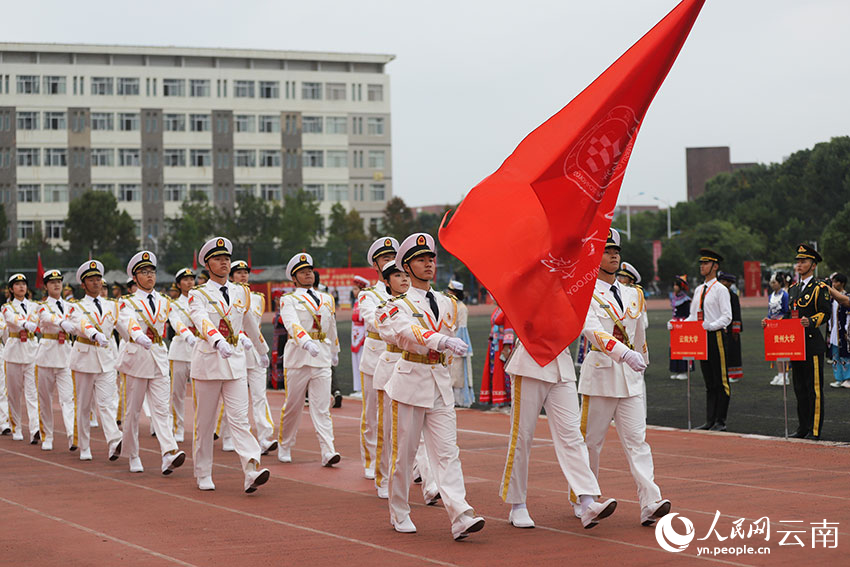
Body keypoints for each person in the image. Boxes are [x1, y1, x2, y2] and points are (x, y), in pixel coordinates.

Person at [498, 233, 619, 531]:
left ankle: (588, 501)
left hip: (561, 364)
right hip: (531, 362)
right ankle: (518, 504)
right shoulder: (528, 278)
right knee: (522, 436)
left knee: (571, 436)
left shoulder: (576, 280)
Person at [377, 232, 485, 540]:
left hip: (440, 383)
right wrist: (440, 340)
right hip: (410, 383)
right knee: (404, 456)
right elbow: (406, 330)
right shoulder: (395, 305)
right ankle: (399, 510)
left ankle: (460, 514)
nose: (428, 264)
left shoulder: (447, 303)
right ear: (406, 267)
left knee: (448, 453)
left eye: (430, 259)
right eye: (420, 260)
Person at [577, 228, 670, 527]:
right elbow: (593, 330)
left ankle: (650, 501)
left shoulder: (633, 293)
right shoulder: (586, 292)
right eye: (607, 251)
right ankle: (584, 500)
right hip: (602, 373)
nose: (614, 255)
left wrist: (642, 359)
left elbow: (639, 334)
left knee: (637, 441)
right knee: (591, 442)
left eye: (616, 250)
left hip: (630, 378)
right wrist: (624, 354)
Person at [188, 237, 271, 492]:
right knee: (205, 423)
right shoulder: (197, 294)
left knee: (239, 419)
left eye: (226, 259)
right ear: (207, 264)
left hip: (235, 361)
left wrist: (262, 350)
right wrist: (216, 341)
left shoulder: (240, 292)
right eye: (217, 259)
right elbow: (201, 320)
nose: (224, 263)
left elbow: (250, 324)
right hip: (209, 362)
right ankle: (203, 472)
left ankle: (250, 469)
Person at [115, 251, 186, 475]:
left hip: (158, 356)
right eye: (144, 272)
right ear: (134, 278)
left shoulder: (165, 301)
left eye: (152, 272)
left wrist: (187, 334)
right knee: (133, 411)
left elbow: (176, 320)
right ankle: (133, 454)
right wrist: (138, 336)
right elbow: (129, 322)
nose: (149, 276)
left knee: (162, 410)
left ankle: (169, 452)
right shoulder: (126, 302)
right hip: (137, 357)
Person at [277, 252, 341, 467]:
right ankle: (285, 444)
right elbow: (292, 324)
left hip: (321, 355)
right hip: (299, 356)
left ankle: (328, 450)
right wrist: (305, 342)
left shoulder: (327, 298)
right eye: (302, 272)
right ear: (294, 278)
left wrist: (335, 350)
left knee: (322, 407)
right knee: (293, 405)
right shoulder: (289, 299)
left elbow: (331, 326)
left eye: (310, 271)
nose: (308, 274)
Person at [65, 261, 123, 461]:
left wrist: (137, 339)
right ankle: (84, 446)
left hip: (106, 359)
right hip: (84, 358)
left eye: (98, 279)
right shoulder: (76, 306)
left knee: (107, 403)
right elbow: (81, 324)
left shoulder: (111, 305)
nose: (96, 282)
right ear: (83, 284)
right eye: (91, 279)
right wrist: (94, 334)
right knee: (83, 405)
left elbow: (122, 326)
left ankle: (115, 441)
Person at [357, 237, 398, 482]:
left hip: (402, 359)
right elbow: (372, 319)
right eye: (385, 259)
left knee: (403, 415)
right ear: (375, 265)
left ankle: (407, 463)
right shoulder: (369, 294)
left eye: (393, 257)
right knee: (373, 415)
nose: (390, 262)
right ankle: (372, 460)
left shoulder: (407, 291)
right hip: (376, 357)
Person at [779, 244, 831, 439]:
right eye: (798, 261)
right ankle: (802, 427)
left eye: (804, 261)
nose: (799, 264)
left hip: (811, 344)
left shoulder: (820, 287)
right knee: (799, 388)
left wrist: (811, 321)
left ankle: (815, 429)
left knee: (814, 389)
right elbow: (788, 314)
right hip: (795, 345)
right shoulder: (793, 289)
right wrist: (773, 325)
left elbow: (825, 313)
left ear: (813, 265)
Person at [679, 248, 732, 431]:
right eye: (701, 263)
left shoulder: (720, 290)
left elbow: (727, 317)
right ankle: (710, 420)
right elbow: (694, 316)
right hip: (701, 337)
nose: (702, 266)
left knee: (720, 380)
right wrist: (679, 324)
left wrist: (710, 325)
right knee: (709, 381)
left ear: (715, 266)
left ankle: (720, 420)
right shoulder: (699, 289)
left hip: (716, 335)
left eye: (706, 263)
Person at [229, 260, 276, 454]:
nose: (243, 275)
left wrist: (262, 350)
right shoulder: (228, 295)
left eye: (245, 272)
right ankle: (228, 435)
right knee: (233, 399)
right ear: (231, 276)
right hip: (235, 350)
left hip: (255, 352)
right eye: (238, 272)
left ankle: (265, 437)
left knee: (259, 396)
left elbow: (255, 326)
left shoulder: (257, 298)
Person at [34, 269, 77, 451]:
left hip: (65, 355)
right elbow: (46, 317)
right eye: (52, 282)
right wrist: (61, 322)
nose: (57, 285)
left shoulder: (70, 306)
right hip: (46, 356)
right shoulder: (41, 306)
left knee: (68, 398)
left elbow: (76, 322)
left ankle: (71, 436)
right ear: (46, 286)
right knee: (45, 399)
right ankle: (47, 435)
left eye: (59, 281)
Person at [2, 273, 40, 443]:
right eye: (17, 285)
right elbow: (12, 319)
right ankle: (16, 427)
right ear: (11, 289)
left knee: (32, 393)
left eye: (23, 284)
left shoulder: (34, 305)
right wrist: (24, 324)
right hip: (14, 351)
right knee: (14, 394)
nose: (21, 287)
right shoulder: (6, 307)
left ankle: (35, 429)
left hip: (31, 350)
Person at [167, 268, 199, 442]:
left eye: (191, 279)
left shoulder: (201, 302)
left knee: (200, 394)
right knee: (177, 394)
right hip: (180, 350)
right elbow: (176, 323)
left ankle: (199, 428)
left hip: (198, 352)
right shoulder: (174, 304)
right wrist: (188, 336)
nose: (189, 282)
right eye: (185, 280)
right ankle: (178, 427)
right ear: (178, 284)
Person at [479, 303, 514, 407]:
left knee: (502, 371)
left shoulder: (507, 310)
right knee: (494, 370)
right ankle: (496, 399)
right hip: (494, 345)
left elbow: (509, 328)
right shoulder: (497, 309)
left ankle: (505, 399)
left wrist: (506, 347)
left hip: (502, 345)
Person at [446, 280, 474, 407]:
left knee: (458, 373)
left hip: (458, 343)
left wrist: (456, 346)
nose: (448, 293)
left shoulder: (462, 308)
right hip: (449, 341)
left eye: (450, 291)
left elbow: (462, 327)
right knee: (450, 371)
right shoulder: (450, 306)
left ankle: (459, 399)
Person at [718, 272, 743, 383]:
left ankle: (734, 374)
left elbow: (737, 313)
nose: (723, 283)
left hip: (731, 328)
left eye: (725, 281)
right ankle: (723, 373)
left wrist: (736, 330)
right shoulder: (718, 295)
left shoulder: (733, 296)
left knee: (733, 351)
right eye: (722, 281)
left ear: (729, 283)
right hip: (720, 327)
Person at [767, 273, 791, 386]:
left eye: (774, 282)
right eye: (771, 282)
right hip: (773, 327)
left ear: (780, 283)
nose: (772, 285)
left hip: (783, 326)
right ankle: (780, 373)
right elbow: (769, 312)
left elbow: (787, 311)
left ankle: (786, 375)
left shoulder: (784, 295)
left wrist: (781, 320)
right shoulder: (771, 295)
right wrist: (767, 320)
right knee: (776, 351)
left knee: (784, 350)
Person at [827, 273, 850, 389]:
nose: (834, 284)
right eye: (833, 282)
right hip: (834, 332)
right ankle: (838, 378)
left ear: (842, 283)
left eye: (836, 282)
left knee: (845, 355)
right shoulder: (831, 299)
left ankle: (848, 378)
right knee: (835, 355)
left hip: (844, 331)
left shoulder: (846, 297)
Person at [350, 274, 370, 398]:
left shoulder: (365, 303)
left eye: (356, 289)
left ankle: (364, 389)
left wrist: (366, 336)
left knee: (363, 362)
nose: (353, 292)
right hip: (355, 336)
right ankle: (357, 388)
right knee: (355, 361)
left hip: (363, 335)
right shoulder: (356, 303)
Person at [669, 275, 692, 380]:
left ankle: (684, 370)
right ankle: (677, 370)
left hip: (683, 326)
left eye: (676, 285)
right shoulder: (674, 298)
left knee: (683, 348)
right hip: (675, 326)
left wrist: (680, 322)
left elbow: (688, 315)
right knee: (674, 348)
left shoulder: (686, 300)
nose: (674, 287)